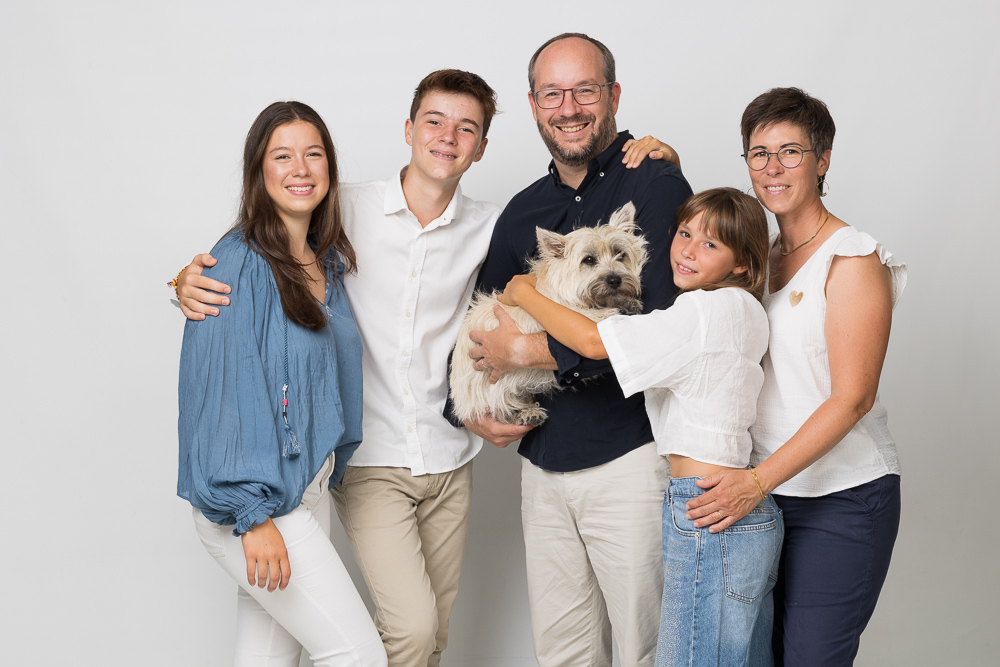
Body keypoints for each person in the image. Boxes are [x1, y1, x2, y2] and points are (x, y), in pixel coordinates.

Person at [175, 70, 678, 667]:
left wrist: (653, 156)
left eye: (467, 127)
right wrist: (187, 281)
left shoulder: (495, 225)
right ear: (409, 129)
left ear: (483, 145)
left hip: (450, 457)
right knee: (406, 634)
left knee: (431, 634)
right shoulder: (342, 207)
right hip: (369, 462)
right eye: (434, 122)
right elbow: (260, 251)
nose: (448, 137)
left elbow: (545, 286)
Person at [465, 33, 693, 667]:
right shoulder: (521, 216)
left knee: (646, 646)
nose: (569, 108)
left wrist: (530, 353)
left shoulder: (654, 185)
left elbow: (661, 329)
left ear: (613, 96)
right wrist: (472, 409)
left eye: (585, 90)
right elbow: (485, 323)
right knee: (562, 652)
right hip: (541, 468)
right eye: (552, 94)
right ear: (534, 105)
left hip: (630, 459)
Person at [498, 187, 781, 667]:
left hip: (705, 507)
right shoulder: (743, 311)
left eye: (710, 244)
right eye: (685, 234)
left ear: (743, 264)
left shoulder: (703, 314)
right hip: (735, 503)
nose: (688, 250)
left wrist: (525, 289)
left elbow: (592, 340)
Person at [682, 88, 906, 667]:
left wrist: (755, 482)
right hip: (763, 496)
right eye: (758, 154)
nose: (772, 168)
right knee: (750, 655)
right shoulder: (756, 258)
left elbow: (853, 399)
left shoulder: (852, 259)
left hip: (840, 499)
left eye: (790, 152)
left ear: (823, 160)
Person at [176, 101, 387, 666]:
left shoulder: (326, 263)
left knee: (265, 659)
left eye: (313, 154)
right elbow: (220, 396)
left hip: (303, 487)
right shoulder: (236, 263)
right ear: (259, 172)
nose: (300, 168)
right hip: (259, 502)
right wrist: (253, 517)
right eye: (282, 155)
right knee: (358, 655)